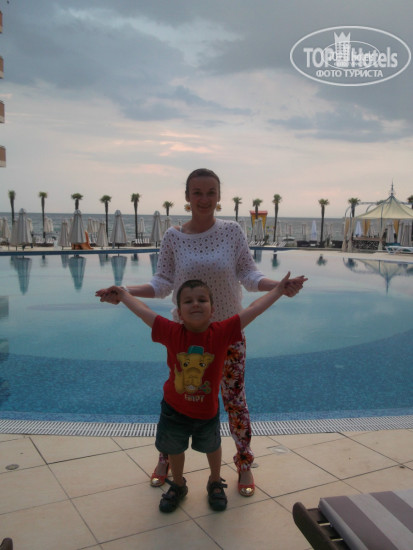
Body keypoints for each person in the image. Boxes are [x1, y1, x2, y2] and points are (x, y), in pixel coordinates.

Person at [96, 168, 307, 496]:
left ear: (219, 197)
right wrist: (124, 291)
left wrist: (278, 286)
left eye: (210, 192)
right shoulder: (173, 237)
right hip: (187, 337)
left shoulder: (232, 231)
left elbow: (249, 275)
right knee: (178, 398)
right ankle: (166, 458)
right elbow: (162, 283)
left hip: (228, 334)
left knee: (234, 401)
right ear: (187, 196)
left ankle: (244, 462)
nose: (204, 199)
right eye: (197, 192)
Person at [102, 273, 292, 512]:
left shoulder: (222, 332)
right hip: (174, 409)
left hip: (207, 412)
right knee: (174, 449)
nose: (195, 304)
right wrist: (123, 295)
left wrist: (278, 290)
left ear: (213, 310)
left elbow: (254, 309)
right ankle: (178, 484)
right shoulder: (171, 331)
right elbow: (144, 312)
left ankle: (215, 481)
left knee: (212, 447)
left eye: (202, 300)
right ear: (179, 313)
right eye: (188, 301)